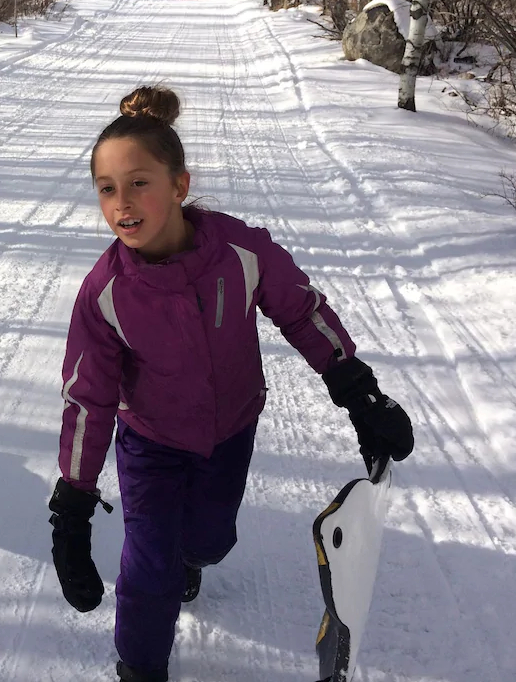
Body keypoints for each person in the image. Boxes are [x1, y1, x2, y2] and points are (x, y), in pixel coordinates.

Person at [45, 86, 414, 682]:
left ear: (179, 185)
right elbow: (87, 399)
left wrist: (356, 388)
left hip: (230, 430)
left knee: (210, 541)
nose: (122, 203)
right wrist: (73, 506)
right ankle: (140, 667)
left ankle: (193, 559)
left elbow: (302, 311)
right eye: (106, 189)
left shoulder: (240, 250)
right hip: (150, 443)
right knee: (150, 563)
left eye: (138, 182)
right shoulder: (105, 292)